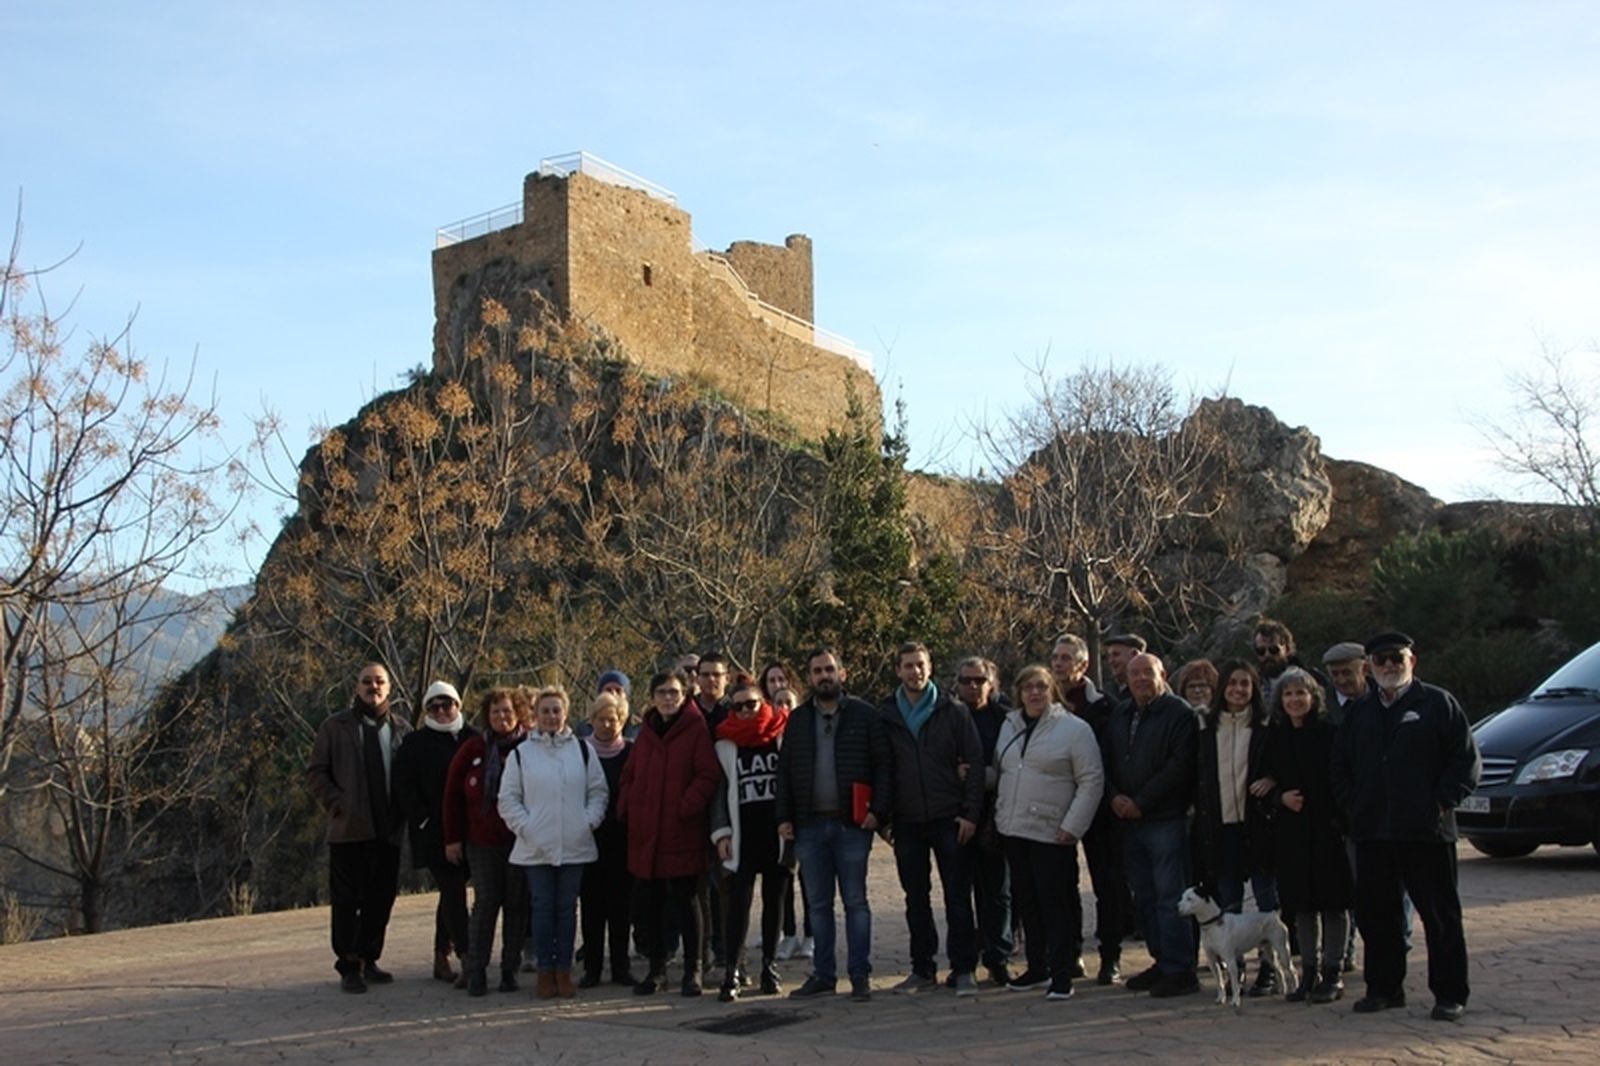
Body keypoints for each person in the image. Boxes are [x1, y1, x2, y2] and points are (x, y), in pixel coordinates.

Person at [1332, 632, 1481, 1022]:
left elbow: (1465, 762)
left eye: (1396, 658)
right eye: (1380, 660)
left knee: (1440, 917)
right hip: (1374, 832)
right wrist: (1354, 807)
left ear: (1412, 660)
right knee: (1377, 916)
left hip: (1426, 833)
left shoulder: (1437, 704)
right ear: (1369, 666)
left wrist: (1439, 802)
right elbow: (1340, 768)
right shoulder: (1359, 713)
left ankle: (1450, 994)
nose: (1389, 666)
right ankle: (1384, 988)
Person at [775, 647, 892, 1002]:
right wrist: (783, 817)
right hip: (809, 826)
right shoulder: (797, 720)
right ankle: (823, 975)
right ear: (809, 677)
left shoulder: (864, 715)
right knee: (818, 905)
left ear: (842, 674)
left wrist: (879, 812)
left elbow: (884, 765)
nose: (823, 676)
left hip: (852, 826)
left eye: (829, 669)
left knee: (855, 902)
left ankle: (860, 975)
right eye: (816, 671)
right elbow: (785, 772)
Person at [993, 664, 1104, 1002]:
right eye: (1028, 687)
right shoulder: (1009, 724)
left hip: (1053, 833)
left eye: (1041, 686)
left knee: (1055, 905)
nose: (1034, 693)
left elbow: (1091, 779)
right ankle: (1036, 967)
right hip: (1014, 831)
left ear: (1052, 690)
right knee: (1027, 905)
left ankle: (1061, 973)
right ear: (1019, 692)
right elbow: (1004, 769)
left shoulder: (1074, 729)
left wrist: (1073, 826)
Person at [879, 641, 985, 996]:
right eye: (908, 665)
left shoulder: (952, 711)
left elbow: (973, 763)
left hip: (948, 817)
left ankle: (964, 967)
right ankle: (922, 968)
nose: (915, 671)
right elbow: (881, 770)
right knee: (916, 899)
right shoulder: (887, 714)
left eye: (921, 664)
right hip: (907, 820)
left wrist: (970, 813)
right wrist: (884, 819)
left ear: (931, 666)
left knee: (957, 895)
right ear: (898, 670)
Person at [307, 663, 411, 993]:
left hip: (388, 831)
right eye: (367, 682)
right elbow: (316, 773)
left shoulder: (401, 729)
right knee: (347, 900)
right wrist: (339, 804)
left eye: (379, 682)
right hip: (349, 831)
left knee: (381, 899)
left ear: (389, 688)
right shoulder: (334, 727)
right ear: (356, 687)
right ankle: (349, 964)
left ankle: (370, 958)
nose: (373, 687)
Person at [499, 685, 608, 999]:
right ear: (535, 715)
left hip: (575, 845)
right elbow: (508, 799)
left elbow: (598, 792)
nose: (550, 716)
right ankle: (545, 971)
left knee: (566, 909)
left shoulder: (582, 750)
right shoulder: (522, 754)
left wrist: (586, 822)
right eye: (545, 711)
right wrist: (527, 827)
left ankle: (564, 970)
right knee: (543, 908)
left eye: (556, 710)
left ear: (565, 714)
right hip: (536, 847)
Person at [618, 668, 719, 997]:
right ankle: (657, 970)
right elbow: (630, 776)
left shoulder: (695, 728)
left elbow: (707, 774)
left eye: (673, 692)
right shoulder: (645, 731)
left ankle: (693, 970)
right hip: (647, 834)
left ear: (684, 694)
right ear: (652, 697)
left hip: (681, 831)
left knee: (688, 903)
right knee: (653, 906)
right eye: (661, 692)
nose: (667, 698)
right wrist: (630, 806)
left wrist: (685, 807)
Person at [1105, 653, 1200, 998]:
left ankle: (1180, 968)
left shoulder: (1179, 714)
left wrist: (1140, 803)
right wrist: (1114, 796)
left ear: (1163, 674)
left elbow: (1180, 767)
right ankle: (1162, 961)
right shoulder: (1122, 712)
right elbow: (1108, 760)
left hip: (1165, 819)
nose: (1141, 679)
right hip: (1128, 822)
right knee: (1144, 896)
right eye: (1135, 674)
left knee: (1170, 897)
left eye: (1148, 672)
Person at [1260, 668, 1353, 1004]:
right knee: (1301, 905)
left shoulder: (1330, 734)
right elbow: (1263, 781)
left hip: (1327, 828)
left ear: (1314, 698)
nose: (1294, 700)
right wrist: (1279, 797)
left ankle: (1333, 971)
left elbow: (1343, 779)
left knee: (1333, 902)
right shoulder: (1275, 737)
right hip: (1292, 832)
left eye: (1301, 693)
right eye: (1288, 694)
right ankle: (1308, 971)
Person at [1191, 659, 1282, 998]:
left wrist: (1272, 780)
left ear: (1254, 688)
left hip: (1257, 825)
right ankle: (1235, 971)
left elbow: (1281, 765)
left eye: (1245, 684)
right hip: (1221, 827)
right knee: (1228, 903)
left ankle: (1269, 969)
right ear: (1221, 689)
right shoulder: (1206, 727)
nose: (1238, 690)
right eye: (1232, 684)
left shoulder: (1266, 725)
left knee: (1265, 902)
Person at [1051, 633, 1128, 985]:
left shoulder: (1105, 707)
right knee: (1062, 886)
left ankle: (1110, 955)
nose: (1058, 663)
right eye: (1055, 657)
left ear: (1083, 665)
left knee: (1107, 884)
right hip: (1056, 807)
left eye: (1066, 658)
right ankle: (1071, 953)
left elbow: (1112, 757)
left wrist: (1110, 795)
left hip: (1100, 809)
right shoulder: (1044, 703)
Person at [709, 673, 792, 1001]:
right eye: (739, 706)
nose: (746, 711)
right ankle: (732, 969)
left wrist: (793, 822)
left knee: (776, 902)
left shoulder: (783, 734)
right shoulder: (724, 742)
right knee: (736, 905)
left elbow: (795, 781)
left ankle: (770, 965)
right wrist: (721, 833)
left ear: (764, 703)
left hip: (777, 832)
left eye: (752, 704)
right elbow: (718, 792)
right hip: (741, 835)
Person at [442, 687, 528, 995]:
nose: (501, 717)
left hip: (520, 841)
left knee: (516, 906)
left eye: (507, 711)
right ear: (486, 716)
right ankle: (475, 969)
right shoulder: (472, 749)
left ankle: (509, 970)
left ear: (518, 714)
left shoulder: (529, 747)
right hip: (481, 841)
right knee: (486, 903)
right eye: (495, 712)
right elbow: (452, 795)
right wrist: (452, 838)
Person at [393, 681, 477, 987]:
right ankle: (469, 957)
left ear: (458, 705)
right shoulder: (415, 743)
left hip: (471, 832)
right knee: (453, 889)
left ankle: (442, 954)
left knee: (450, 894)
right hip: (433, 834)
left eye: (448, 704)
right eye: (434, 707)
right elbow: (404, 787)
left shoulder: (473, 738)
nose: (442, 711)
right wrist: (425, 820)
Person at [954, 655, 1015, 987]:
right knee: (959, 892)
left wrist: (981, 776)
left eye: (979, 680)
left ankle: (998, 957)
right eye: (966, 681)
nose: (973, 686)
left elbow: (1016, 766)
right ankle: (964, 962)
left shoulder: (1007, 720)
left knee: (998, 893)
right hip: (958, 816)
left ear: (992, 684)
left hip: (996, 816)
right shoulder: (948, 717)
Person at [579, 692, 636, 988]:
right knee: (591, 907)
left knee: (621, 908)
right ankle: (592, 968)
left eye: (613, 719)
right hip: (589, 838)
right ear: (591, 721)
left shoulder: (631, 751)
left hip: (623, 839)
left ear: (623, 721)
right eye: (601, 719)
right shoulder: (580, 751)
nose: (607, 724)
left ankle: (621, 967)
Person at [761, 660, 814, 963]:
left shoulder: (804, 730)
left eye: (788, 701)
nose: (782, 704)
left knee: (809, 879)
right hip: (777, 817)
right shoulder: (765, 732)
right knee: (783, 878)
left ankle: (811, 935)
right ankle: (788, 933)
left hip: (805, 814)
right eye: (777, 701)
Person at [1254, 617, 1331, 691]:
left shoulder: (1312, 679)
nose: (1267, 655)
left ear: (1287, 649)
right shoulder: (1252, 684)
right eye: (1261, 651)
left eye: (1273, 650)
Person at [1102, 633, 1147, 702]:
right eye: (1109, 656)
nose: (1111, 661)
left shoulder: (1150, 688)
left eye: (1116, 654)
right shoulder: (1109, 689)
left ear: (1134, 654)